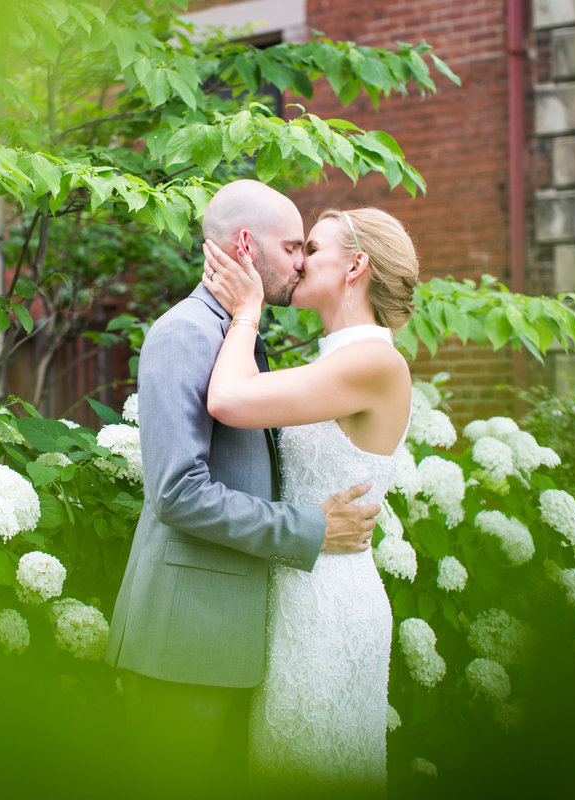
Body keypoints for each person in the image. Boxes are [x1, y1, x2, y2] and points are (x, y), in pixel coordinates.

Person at [104, 181, 382, 790]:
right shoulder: (187, 334)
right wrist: (311, 528)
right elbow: (178, 493)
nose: (301, 264)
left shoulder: (234, 333)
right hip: (186, 639)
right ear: (246, 245)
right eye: (290, 248)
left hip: (227, 640)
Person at [200, 205, 419, 791]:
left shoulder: (375, 361)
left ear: (357, 265)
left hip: (329, 601)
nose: (296, 262)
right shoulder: (335, 360)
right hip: (295, 587)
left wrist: (246, 314)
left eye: (311, 250)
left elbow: (227, 401)